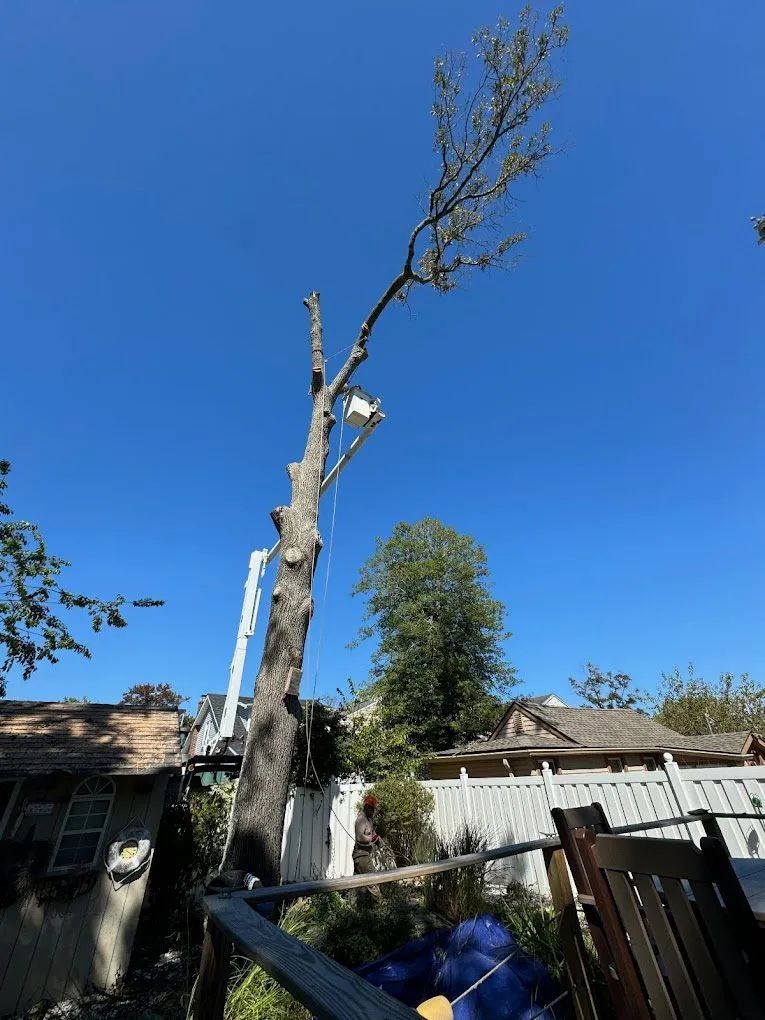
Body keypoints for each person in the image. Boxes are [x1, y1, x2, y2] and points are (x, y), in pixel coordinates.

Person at [353, 793, 382, 901]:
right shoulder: (361, 820)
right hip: (362, 855)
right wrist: (372, 839)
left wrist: (380, 842)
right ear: (367, 807)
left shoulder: (369, 820)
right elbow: (360, 837)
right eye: (372, 809)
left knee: (356, 884)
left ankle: (352, 908)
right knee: (372, 881)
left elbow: (373, 835)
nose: (373, 812)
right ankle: (379, 908)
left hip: (363, 855)